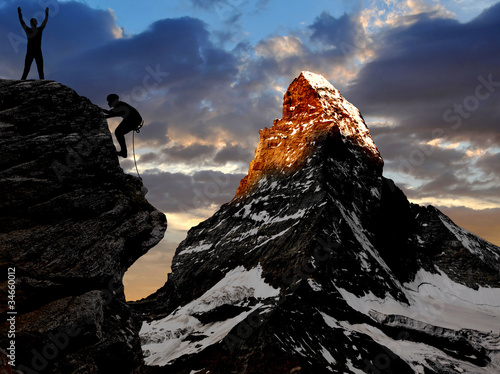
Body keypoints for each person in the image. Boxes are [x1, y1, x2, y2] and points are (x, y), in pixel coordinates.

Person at [18, 7, 49, 80]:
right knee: (27, 69)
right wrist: (19, 13)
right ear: (33, 23)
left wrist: (46, 14)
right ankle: (22, 82)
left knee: (39, 69)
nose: (37, 22)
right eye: (35, 21)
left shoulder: (35, 30)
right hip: (32, 51)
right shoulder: (35, 30)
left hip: (35, 51)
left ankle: (42, 84)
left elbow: (45, 21)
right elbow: (22, 21)